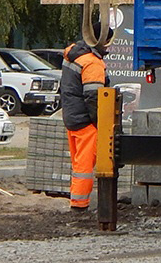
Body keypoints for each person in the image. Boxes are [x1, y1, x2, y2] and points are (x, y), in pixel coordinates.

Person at [61, 21, 110, 211]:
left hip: (71, 118)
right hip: (85, 121)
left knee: (78, 163)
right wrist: (100, 123)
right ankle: (79, 205)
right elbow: (93, 97)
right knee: (84, 166)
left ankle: (77, 200)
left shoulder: (74, 55)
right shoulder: (92, 63)